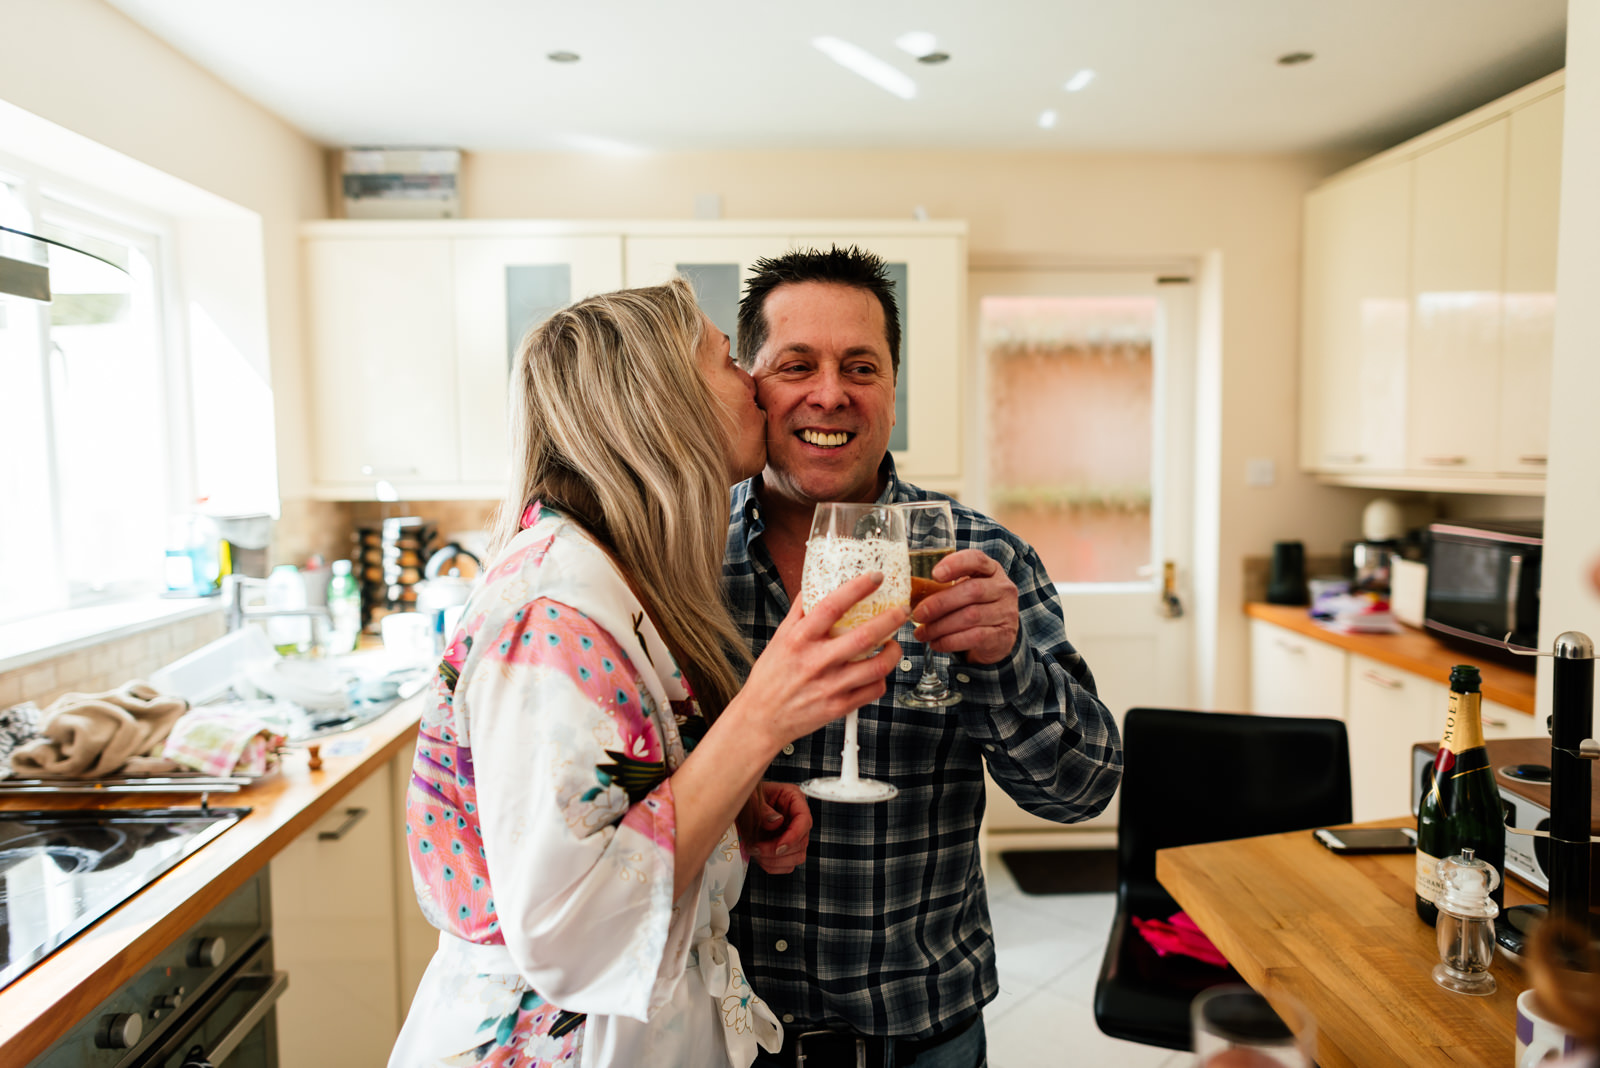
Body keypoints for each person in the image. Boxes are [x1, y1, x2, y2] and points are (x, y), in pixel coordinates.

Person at [389, 278, 909, 1068]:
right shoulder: (552, 615)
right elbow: (569, 935)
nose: (754, 385)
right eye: (727, 361)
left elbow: (595, 811)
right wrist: (762, 714)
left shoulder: (611, 576)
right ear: (660, 400)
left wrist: (721, 806)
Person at [724, 246, 1124, 1067]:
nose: (830, 393)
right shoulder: (684, 551)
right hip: (715, 1035)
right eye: (797, 365)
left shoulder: (977, 557)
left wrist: (1007, 662)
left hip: (918, 1034)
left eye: (860, 366)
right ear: (751, 386)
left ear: (893, 389)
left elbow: (1084, 790)